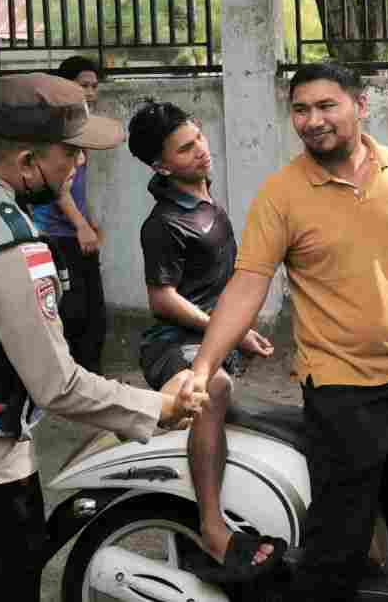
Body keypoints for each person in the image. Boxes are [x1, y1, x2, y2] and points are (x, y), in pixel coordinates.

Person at [0, 73, 205, 601]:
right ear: (28, 161)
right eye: (70, 154)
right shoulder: (7, 248)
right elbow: (58, 385)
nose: (80, 164)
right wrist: (158, 407)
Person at [186, 62, 388, 601]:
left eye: (327, 106)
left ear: (360, 105)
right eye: (301, 109)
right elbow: (247, 285)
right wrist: (204, 366)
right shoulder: (282, 195)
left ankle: (374, 562)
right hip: (342, 385)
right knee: (338, 538)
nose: (312, 120)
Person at [127, 100, 280, 577]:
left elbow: (217, 289)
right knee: (213, 389)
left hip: (211, 339)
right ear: (161, 165)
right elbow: (164, 299)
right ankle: (213, 529)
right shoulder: (163, 223)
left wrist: (240, 331)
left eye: (200, 139)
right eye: (185, 148)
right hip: (173, 346)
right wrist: (225, 334)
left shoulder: (207, 198)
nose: (201, 151)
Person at [30, 55, 108, 373]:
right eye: (83, 85)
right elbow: (60, 188)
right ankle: (71, 380)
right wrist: (81, 226)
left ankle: (91, 380)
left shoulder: (81, 129)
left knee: (95, 315)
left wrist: (90, 223)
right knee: (73, 313)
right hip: (56, 234)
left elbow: (79, 188)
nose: (90, 92)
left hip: (76, 232)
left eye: (94, 86)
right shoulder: (57, 129)